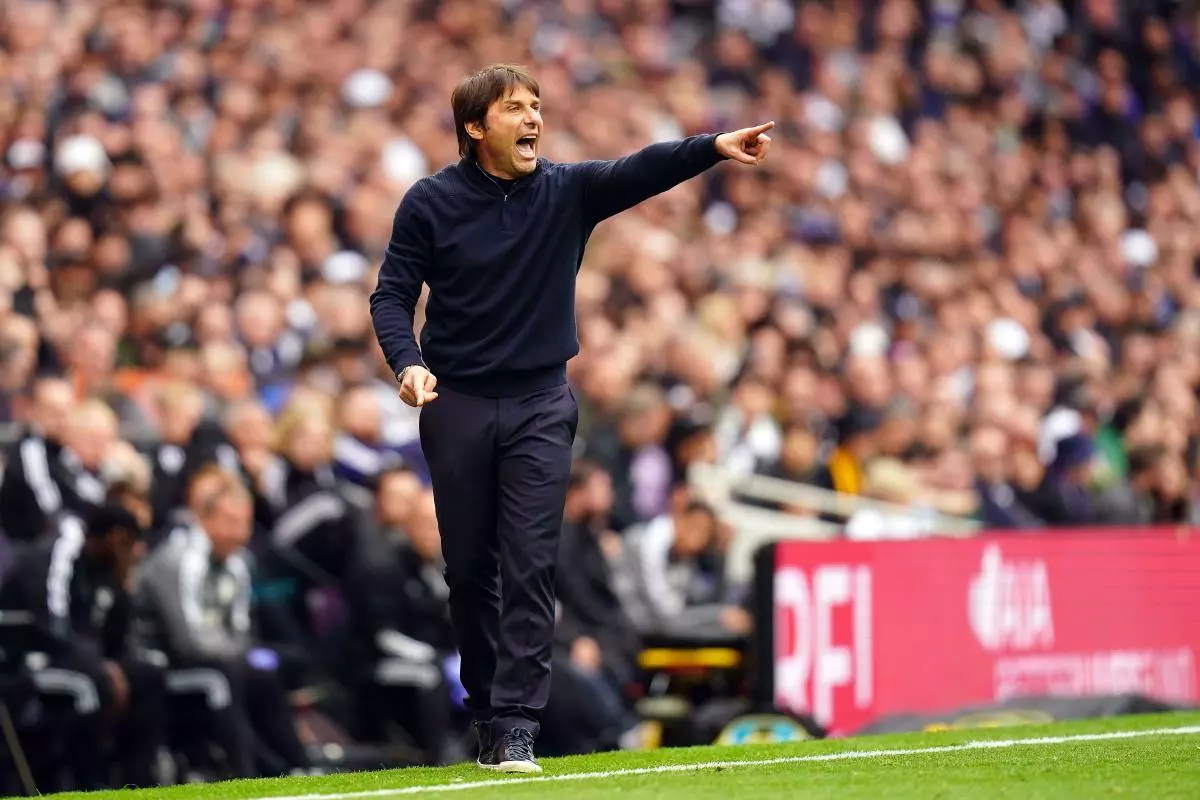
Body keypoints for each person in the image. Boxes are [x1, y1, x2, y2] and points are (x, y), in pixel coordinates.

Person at [370, 62, 773, 773]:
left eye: (537, 106)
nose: (533, 119)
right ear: (474, 126)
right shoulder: (429, 202)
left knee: (530, 561)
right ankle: (487, 711)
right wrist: (407, 363)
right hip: (455, 401)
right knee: (469, 573)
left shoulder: (565, 190)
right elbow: (391, 295)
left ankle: (519, 723)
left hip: (539, 402)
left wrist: (711, 146)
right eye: (515, 108)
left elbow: (639, 169)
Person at [132, 470, 312, 777]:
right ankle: (245, 771)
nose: (240, 533)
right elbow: (187, 639)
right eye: (231, 522)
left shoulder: (238, 562)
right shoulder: (178, 560)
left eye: (245, 523)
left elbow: (242, 629)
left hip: (221, 658)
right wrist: (238, 655)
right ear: (205, 520)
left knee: (265, 670)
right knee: (232, 672)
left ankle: (297, 765)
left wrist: (243, 655)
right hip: (162, 661)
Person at [0, 505, 166, 790]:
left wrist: (125, 591)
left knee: (149, 675)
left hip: (82, 658)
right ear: (115, 537)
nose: (138, 553)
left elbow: (114, 641)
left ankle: (139, 785)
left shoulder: (108, 568)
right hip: (32, 657)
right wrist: (101, 665)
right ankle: (88, 786)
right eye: (132, 544)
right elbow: (52, 625)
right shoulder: (59, 555)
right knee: (92, 685)